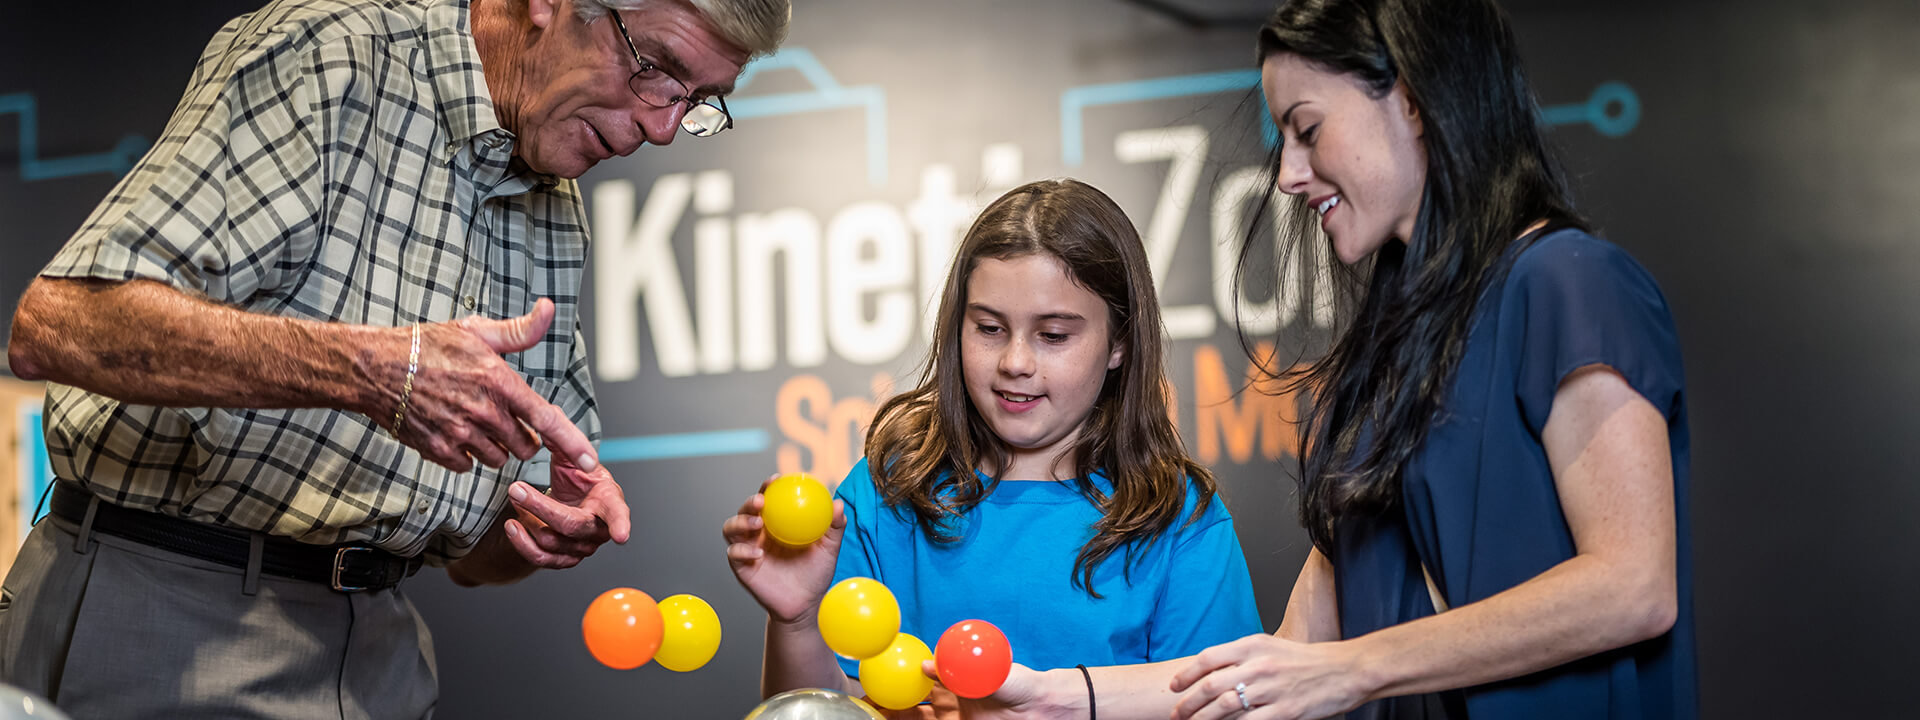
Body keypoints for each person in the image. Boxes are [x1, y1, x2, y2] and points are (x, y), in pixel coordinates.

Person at [0, 0, 787, 716]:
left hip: (379, 654)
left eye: (695, 105)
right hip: (162, 617)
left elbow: (475, 564)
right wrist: (377, 370)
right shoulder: (332, 55)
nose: (660, 128)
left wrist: (538, 526)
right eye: (657, 70)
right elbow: (59, 326)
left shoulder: (557, 206)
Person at [1165, 0, 1696, 717]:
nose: (1289, 174)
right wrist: (1059, 697)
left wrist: (1358, 668)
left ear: (1412, 101)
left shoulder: (1567, 281)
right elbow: (1284, 659)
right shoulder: (1384, 362)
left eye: (1308, 130)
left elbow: (1633, 586)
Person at [721, 179, 1264, 717]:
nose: (1015, 362)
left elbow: (1221, 704)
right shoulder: (885, 492)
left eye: (1053, 335)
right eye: (988, 328)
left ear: (1119, 342)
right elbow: (825, 708)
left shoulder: (1179, 517)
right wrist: (795, 623)